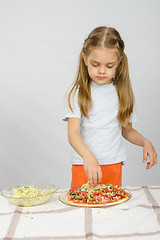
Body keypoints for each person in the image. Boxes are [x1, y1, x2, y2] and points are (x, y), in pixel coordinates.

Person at [63, 26, 158, 189]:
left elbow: (127, 130)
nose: (101, 71)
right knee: (81, 208)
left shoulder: (122, 94)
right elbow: (73, 134)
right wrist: (88, 157)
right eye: (95, 64)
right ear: (85, 59)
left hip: (113, 165)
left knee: (111, 209)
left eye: (109, 66)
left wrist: (145, 142)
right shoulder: (78, 93)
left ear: (119, 63)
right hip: (84, 165)